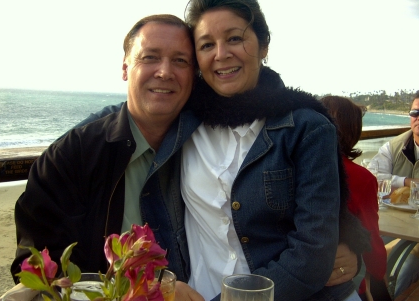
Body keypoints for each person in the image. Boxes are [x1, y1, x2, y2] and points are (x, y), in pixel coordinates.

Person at [71, 1, 370, 300]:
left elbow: (312, 252)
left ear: (264, 45)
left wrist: (352, 247)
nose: (221, 54)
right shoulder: (183, 117)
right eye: (206, 45)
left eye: (235, 38)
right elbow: (125, 117)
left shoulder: (307, 127)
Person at [11, 14, 203, 300]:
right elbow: (36, 268)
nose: (165, 72)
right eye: (150, 57)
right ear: (125, 68)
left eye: (180, 61)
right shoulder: (70, 158)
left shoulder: (208, 148)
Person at [321, 96, 389, 301]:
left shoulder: (292, 170)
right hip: (340, 284)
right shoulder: (360, 178)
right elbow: (371, 242)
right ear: (354, 131)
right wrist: (378, 271)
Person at [369, 90, 419, 298]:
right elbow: (372, 175)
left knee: (410, 262)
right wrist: (406, 181)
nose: (418, 118)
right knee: (366, 244)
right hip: (397, 218)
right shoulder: (395, 146)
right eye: (415, 112)